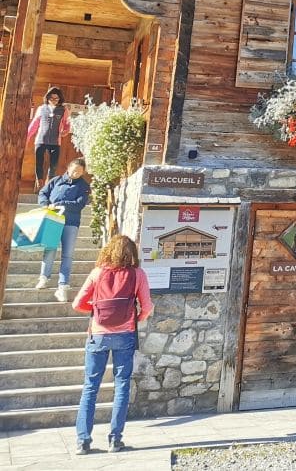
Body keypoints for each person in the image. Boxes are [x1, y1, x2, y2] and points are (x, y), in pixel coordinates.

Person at [72, 233, 153, 455]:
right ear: (132, 253)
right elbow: (147, 307)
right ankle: (115, 440)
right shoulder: (138, 274)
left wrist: (97, 310)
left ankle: (83, 441)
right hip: (125, 335)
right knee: (122, 386)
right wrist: (133, 318)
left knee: (90, 387)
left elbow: (77, 303)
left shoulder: (97, 273)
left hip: (97, 334)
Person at [36, 158, 90, 302]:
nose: (76, 173)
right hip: (53, 220)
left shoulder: (84, 186)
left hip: (70, 223)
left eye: (79, 171)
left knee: (67, 255)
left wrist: (59, 204)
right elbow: (43, 193)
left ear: (83, 172)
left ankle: (63, 286)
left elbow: (79, 204)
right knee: (50, 249)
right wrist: (45, 204)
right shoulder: (56, 180)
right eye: (74, 169)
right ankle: (44, 278)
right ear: (69, 167)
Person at [27, 87, 71, 190]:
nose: (54, 100)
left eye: (56, 98)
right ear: (47, 98)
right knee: (39, 163)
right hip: (40, 140)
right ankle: (40, 181)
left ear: (60, 99)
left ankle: (49, 182)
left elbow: (67, 124)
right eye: (52, 98)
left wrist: (65, 131)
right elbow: (34, 124)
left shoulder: (63, 110)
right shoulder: (41, 109)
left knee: (53, 165)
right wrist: (27, 137)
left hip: (55, 142)